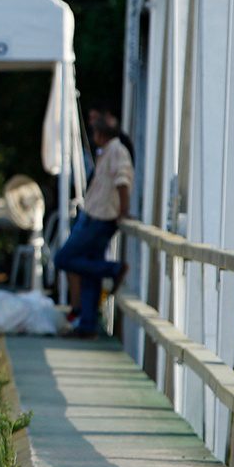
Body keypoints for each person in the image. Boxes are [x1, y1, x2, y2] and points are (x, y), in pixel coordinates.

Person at [54, 123, 135, 338]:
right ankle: (87, 326)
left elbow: (122, 181)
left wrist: (124, 211)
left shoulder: (117, 151)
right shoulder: (108, 151)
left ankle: (113, 269)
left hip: (101, 218)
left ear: (100, 134)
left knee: (63, 259)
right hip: (96, 215)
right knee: (88, 273)